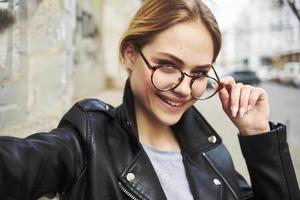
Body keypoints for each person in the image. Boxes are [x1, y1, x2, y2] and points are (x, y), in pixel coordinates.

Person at [0, 0, 299, 199]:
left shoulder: (213, 153)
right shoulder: (86, 139)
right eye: (168, 65)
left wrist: (258, 136)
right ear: (130, 54)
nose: (184, 89)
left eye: (199, 73)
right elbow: (20, 163)